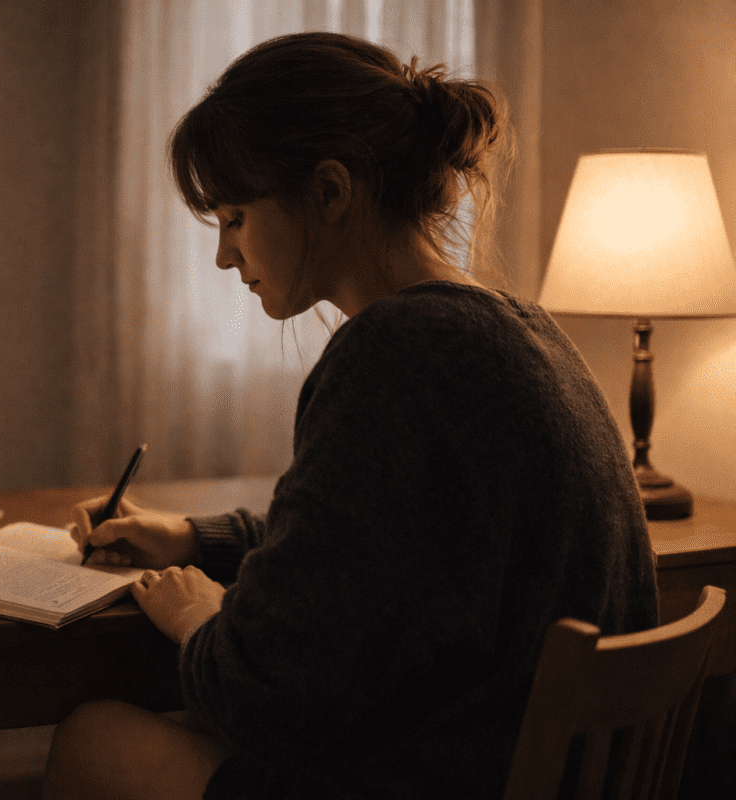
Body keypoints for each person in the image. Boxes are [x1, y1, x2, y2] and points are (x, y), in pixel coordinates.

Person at [41, 31, 658, 800]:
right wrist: (197, 538)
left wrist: (200, 622)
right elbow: (381, 546)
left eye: (234, 217)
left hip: (446, 774)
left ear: (331, 193)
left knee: (95, 735)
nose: (224, 258)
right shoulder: (519, 327)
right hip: (520, 769)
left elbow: (265, 692)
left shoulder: (395, 354)